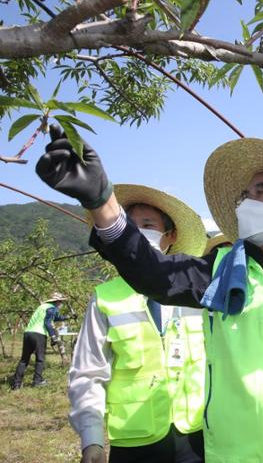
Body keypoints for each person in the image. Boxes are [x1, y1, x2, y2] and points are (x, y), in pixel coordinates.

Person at [35, 128, 263, 462]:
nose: (246, 201)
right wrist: (102, 201)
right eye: (244, 194)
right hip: (235, 453)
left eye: (259, 191)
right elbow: (154, 274)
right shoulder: (222, 271)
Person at [68, 184, 207, 463]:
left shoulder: (195, 292)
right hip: (134, 441)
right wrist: (92, 439)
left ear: (170, 236)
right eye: (130, 224)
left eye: (147, 224)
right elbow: (88, 371)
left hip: (195, 436)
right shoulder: (106, 298)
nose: (137, 231)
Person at [11, 291, 70, 389]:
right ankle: (37, 381)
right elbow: (47, 323)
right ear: (57, 301)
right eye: (61, 302)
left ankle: (16, 384)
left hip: (28, 333)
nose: (62, 304)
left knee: (24, 359)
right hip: (39, 334)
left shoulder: (42, 307)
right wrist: (53, 337)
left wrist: (68, 317)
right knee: (40, 359)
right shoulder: (52, 308)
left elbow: (55, 318)